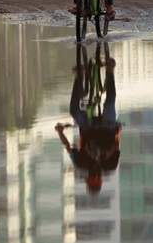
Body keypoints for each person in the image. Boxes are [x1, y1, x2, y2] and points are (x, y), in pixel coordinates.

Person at [55, 44, 120, 194]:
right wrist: (107, 151)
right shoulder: (110, 166)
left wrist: (60, 131)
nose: (94, 171)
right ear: (100, 177)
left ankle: (79, 76)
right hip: (108, 127)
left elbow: (68, 148)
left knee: (74, 111)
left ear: (87, 177)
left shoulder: (81, 164)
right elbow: (116, 147)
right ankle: (110, 71)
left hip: (88, 129)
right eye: (96, 175)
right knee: (110, 103)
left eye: (92, 175)